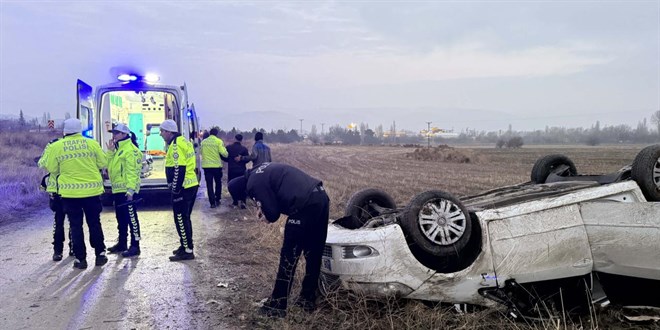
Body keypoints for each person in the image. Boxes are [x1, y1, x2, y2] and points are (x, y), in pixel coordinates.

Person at [228, 162, 329, 318]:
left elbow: (273, 214)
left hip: (303, 205)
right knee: (314, 253)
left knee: (289, 256)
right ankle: (307, 299)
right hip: (321, 197)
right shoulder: (258, 170)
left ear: (243, 191)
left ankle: (277, 305)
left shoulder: (253, 184)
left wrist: (265, 215)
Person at [44, 118, 108, 269]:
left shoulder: (57, 146)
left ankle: (81, 259)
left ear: (65, 131)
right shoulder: (92, 143)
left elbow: (52, 169)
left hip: (70, 194)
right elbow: (102, 163)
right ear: (80, 129)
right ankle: (100, 254)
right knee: (94, 223)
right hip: (92, 192)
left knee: (75, 226)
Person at [159, 119, 199, 261]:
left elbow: (179, 169)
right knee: (184, 217)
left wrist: (175, 190)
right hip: (190, 185)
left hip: (183, 188)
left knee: (181, 218)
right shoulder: (184, 142)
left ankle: (188, 250)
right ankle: (185, 245)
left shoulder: (175, 146)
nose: (160, 134)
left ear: (169, 132)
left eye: (162, 131)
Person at [105, 123, 143, 257]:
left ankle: (135, 246)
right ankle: (122, 243)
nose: (114, 135)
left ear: (125, 134)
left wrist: (131, 191)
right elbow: (108, 167)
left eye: (116, 133)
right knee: (120, 218)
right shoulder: (118, 150)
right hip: (118, 190)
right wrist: (110, 152)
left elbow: (132, 172)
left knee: (132, 219)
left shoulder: (131, 151)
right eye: (113, 133)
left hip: (127, 191)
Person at [37, 138, 73, 261]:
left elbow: (42, 163)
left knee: (59, 222)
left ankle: (58, 251)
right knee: (73, 222)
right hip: (71, 190)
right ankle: (72, 248)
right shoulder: (72, 146)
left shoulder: (52, 146)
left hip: (58, 191)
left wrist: (49, 152)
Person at [200, 127, 228, 208]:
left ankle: (212, 203)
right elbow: (223, 153)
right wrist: (228, 155)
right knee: (218, 183)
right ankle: (217, 199)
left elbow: (201, 152)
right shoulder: (218, 141)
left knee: (209, 185)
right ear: (216, 133)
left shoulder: (203, 142)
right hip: (216, 167)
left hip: (207, 167)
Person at [222, 134, 249, 208]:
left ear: (235, 139)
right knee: (243, 186)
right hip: (241, 170)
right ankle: (243, 202)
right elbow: (247, 159)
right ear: (241, 140)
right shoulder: (244, 149)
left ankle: (235, 202)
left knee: (231, 185)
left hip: (232, 170)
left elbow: (224, 156)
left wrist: (229, 160)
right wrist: (241, 160)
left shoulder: (228, 148)